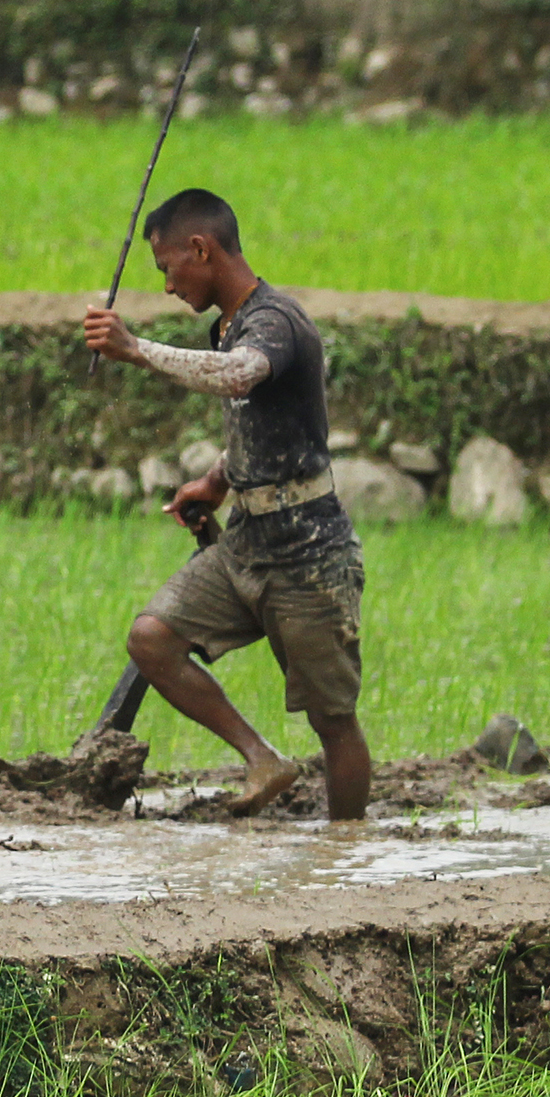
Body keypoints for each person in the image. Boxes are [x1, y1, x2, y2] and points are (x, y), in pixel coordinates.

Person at [80, 188, 370, 821]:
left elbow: (240, 375)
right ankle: (261, 757)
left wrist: (136, 349)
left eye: (166, 268)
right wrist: (216, 481)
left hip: (308, 556)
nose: (166, 286)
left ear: (201, 249)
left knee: (333, 719)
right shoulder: (229, 323)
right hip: (247, 543)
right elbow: (259, 418)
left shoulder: (273, 322)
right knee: (152, 637)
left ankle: (349, 853)